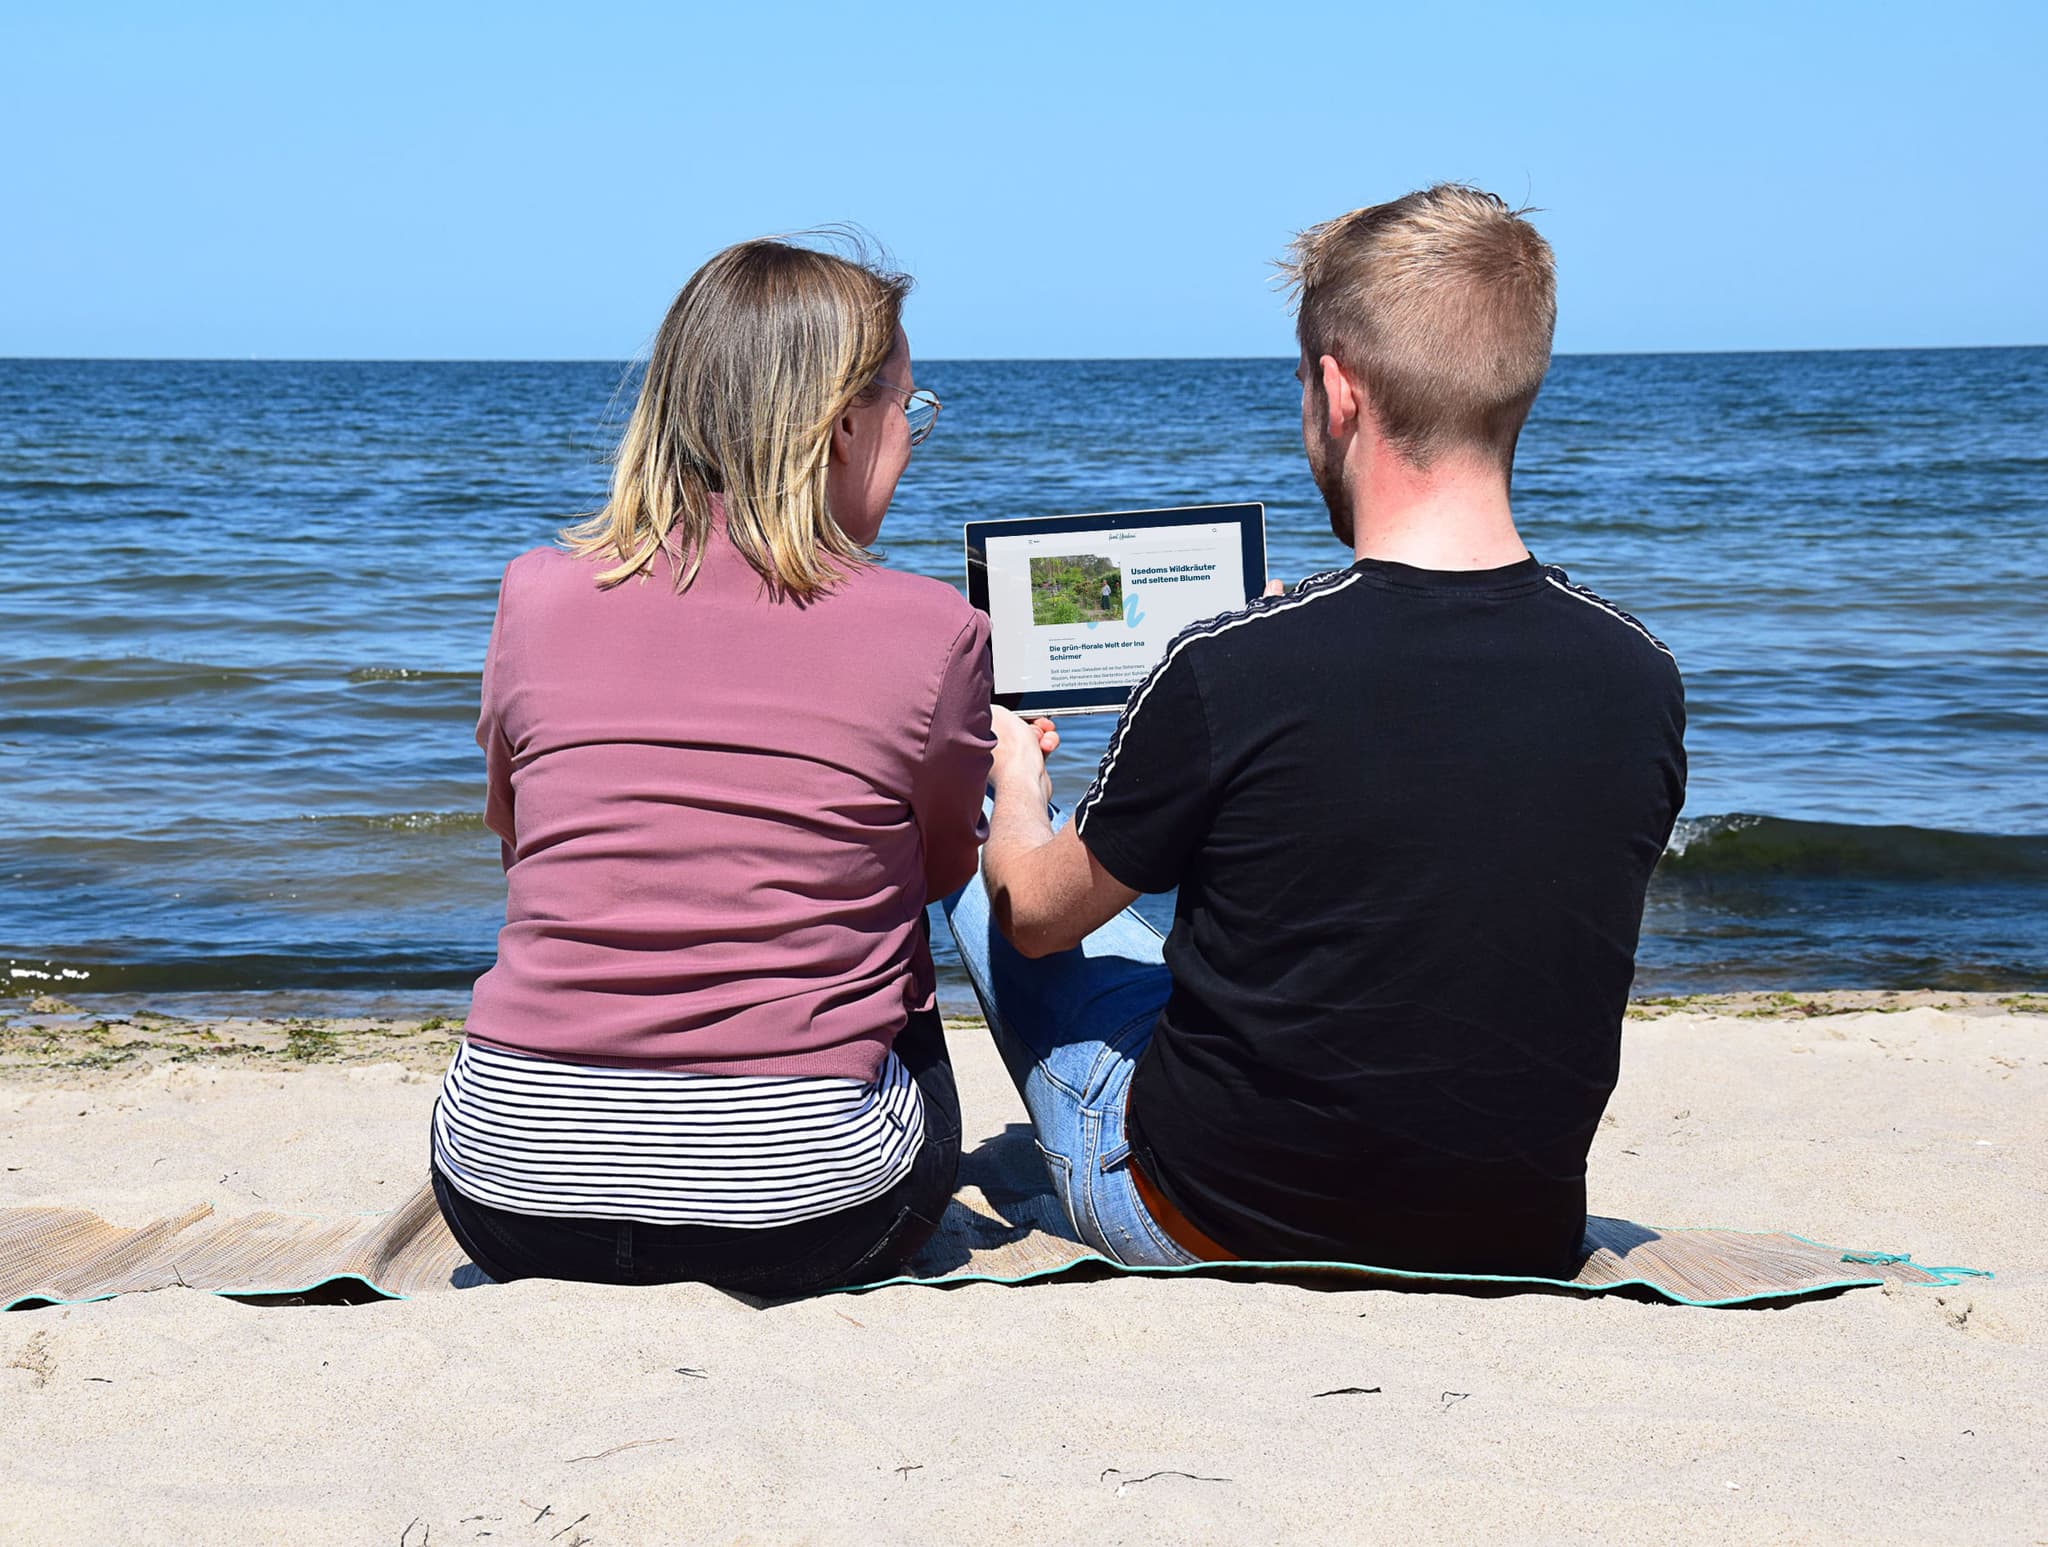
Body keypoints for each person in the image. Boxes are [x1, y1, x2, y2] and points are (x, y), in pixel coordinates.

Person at [943, 185, 1686, 1278]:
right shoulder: (1638, 671)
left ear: (1337, 391)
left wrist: (1012, 779)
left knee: (992, 828)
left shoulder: (1231, 664)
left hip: (1202, 1213)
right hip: (1512, 1232)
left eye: (1301, 384)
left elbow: (1034, 918)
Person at [430, 237, 994, 1296]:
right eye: (907, 415)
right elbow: (930, 878)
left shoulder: (535, 594)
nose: (911, 445)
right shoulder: (933, 628)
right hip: (806, 1216)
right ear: (839, 429)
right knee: (898, 958)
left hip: (509, 1198)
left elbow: (522, 841)